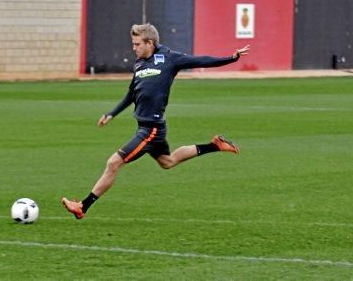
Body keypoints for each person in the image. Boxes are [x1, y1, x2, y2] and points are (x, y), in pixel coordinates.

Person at [62, 23, 250, 219]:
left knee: (113, 163)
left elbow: (200, 61)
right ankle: (214, 146)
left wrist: (232, 58)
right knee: (168, 161)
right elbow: (131, 94)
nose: (133, 48)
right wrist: (112, 113)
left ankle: (82, 206)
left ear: (149, 43)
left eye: (137, 44)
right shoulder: (139, 64)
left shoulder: (169, 58)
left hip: (151, 130)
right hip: (147, 127)